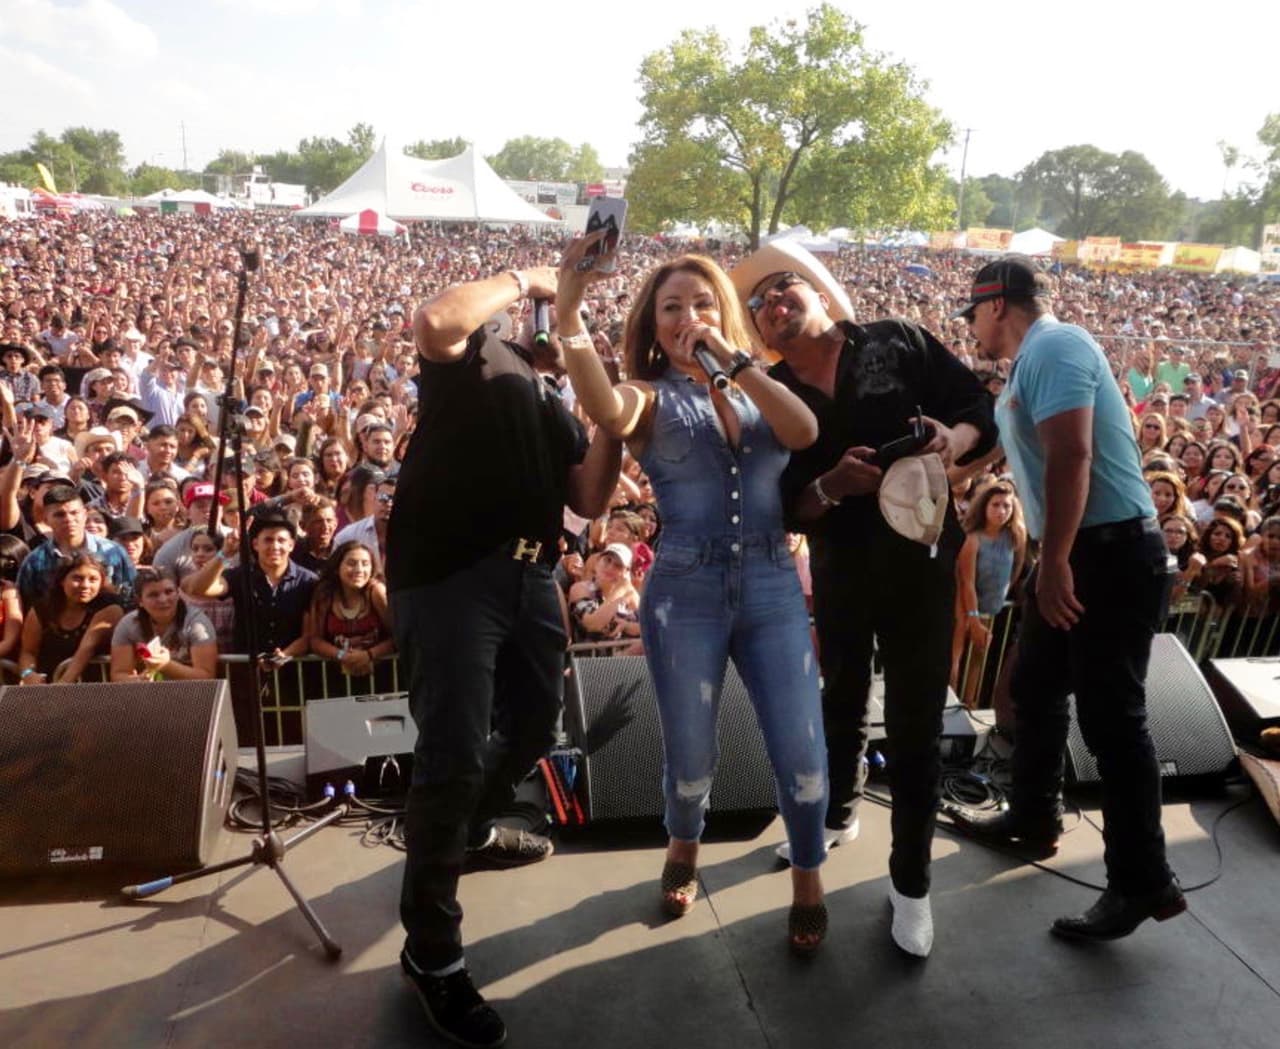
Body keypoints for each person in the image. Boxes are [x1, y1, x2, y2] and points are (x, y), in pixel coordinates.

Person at [557, 237, 832, 952]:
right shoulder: (649, 397)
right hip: (686, 589)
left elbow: (803, 430)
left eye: (703, 303)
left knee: (804, 757)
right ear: (653, 327)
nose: (689, 317)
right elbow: (604, 406)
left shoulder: (760, 382)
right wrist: (570, 310)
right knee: (690, 760)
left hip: (772, 583)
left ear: (725, 312)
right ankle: (683, 844)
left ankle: (809, 878)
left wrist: (734, 361)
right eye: (672, 308)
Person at [728, 239, 996, 957]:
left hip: (922, 562)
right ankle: (836, 814)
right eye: (759, 304)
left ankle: (911, 884)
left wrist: (954, 438)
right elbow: (783, 505)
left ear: (819, 293)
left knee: (914, 726)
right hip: (841, 566)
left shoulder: (896, 340)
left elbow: (976, 405)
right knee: (840, 699)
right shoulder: (769, 393)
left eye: (784, 288)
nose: (773, 304)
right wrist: (829, 486)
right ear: (757, 330)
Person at [387, 257, 622, 1049]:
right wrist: (530, 277)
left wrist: (611, 415)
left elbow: (587, 497)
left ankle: (474, 830)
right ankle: (432, 952)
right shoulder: (477, 354)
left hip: (532, 576)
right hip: (452, 576)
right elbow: (435, 321)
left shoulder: (553, 396)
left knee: (537, 723)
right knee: (452, 752)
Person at [948, 255, 1185, 942]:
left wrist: (1054, 561)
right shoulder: (1030, 362)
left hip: (1107, 553)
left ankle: (1144, 881)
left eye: (974, 314)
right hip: (1084, 548)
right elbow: (1001, 453)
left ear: (997, 304)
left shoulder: (1055, 345)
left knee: (1114, 722)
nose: (972, 328)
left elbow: (1072, 455)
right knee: (1034, 685)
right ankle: (1033, 815)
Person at [951, 479, 1027, 707]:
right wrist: (973, 617)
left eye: (1007, 506)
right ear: (984, 506)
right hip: (965, 607)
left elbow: (1015, 570)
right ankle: (951, 706)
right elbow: (966, 582)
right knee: (956, 661)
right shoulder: (973, 539)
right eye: (995, 505)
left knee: (982, 662)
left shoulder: (1015, 537)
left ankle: (972, 704)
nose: (1001, 511)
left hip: (994, 609)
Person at [16, 484, 137, 609]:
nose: (68, 519)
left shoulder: (113, 552)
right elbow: (26, 605)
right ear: (46, 520)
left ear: (85, 514)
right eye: (59, 515)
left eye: (74, 513)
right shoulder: (35, 561)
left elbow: (132, 594)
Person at [17, 552, 124, 684]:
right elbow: (28, 651)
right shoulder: (42, 609)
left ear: (101, 583)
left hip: (95, 688)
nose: (85, 585)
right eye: (77, 578)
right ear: (62, 580)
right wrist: (28, 674)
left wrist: (63, 685)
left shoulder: (110, 608)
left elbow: (87, 648)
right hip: (48, 685)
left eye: (93, 580)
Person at [110, 565, 218, 681]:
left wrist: (166, 665)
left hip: (191, 691)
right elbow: (118, 674)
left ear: (178, 593)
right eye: (153, 595)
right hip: (146, 691)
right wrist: (138, 680)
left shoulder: (196, 623)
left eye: (169, 592)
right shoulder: (128, 625)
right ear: (140, 601)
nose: (163, 599)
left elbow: (206, 676)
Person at [305, 540, 394, 675]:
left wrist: (368, 655)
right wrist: (343, 656)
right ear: (337, 568)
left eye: (365, 564)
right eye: (351, 563)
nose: (359, 570)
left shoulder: (376, 592)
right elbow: (315, 640)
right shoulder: (325, 594)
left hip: (381, 674)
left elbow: (398, 636)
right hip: (336, 675)